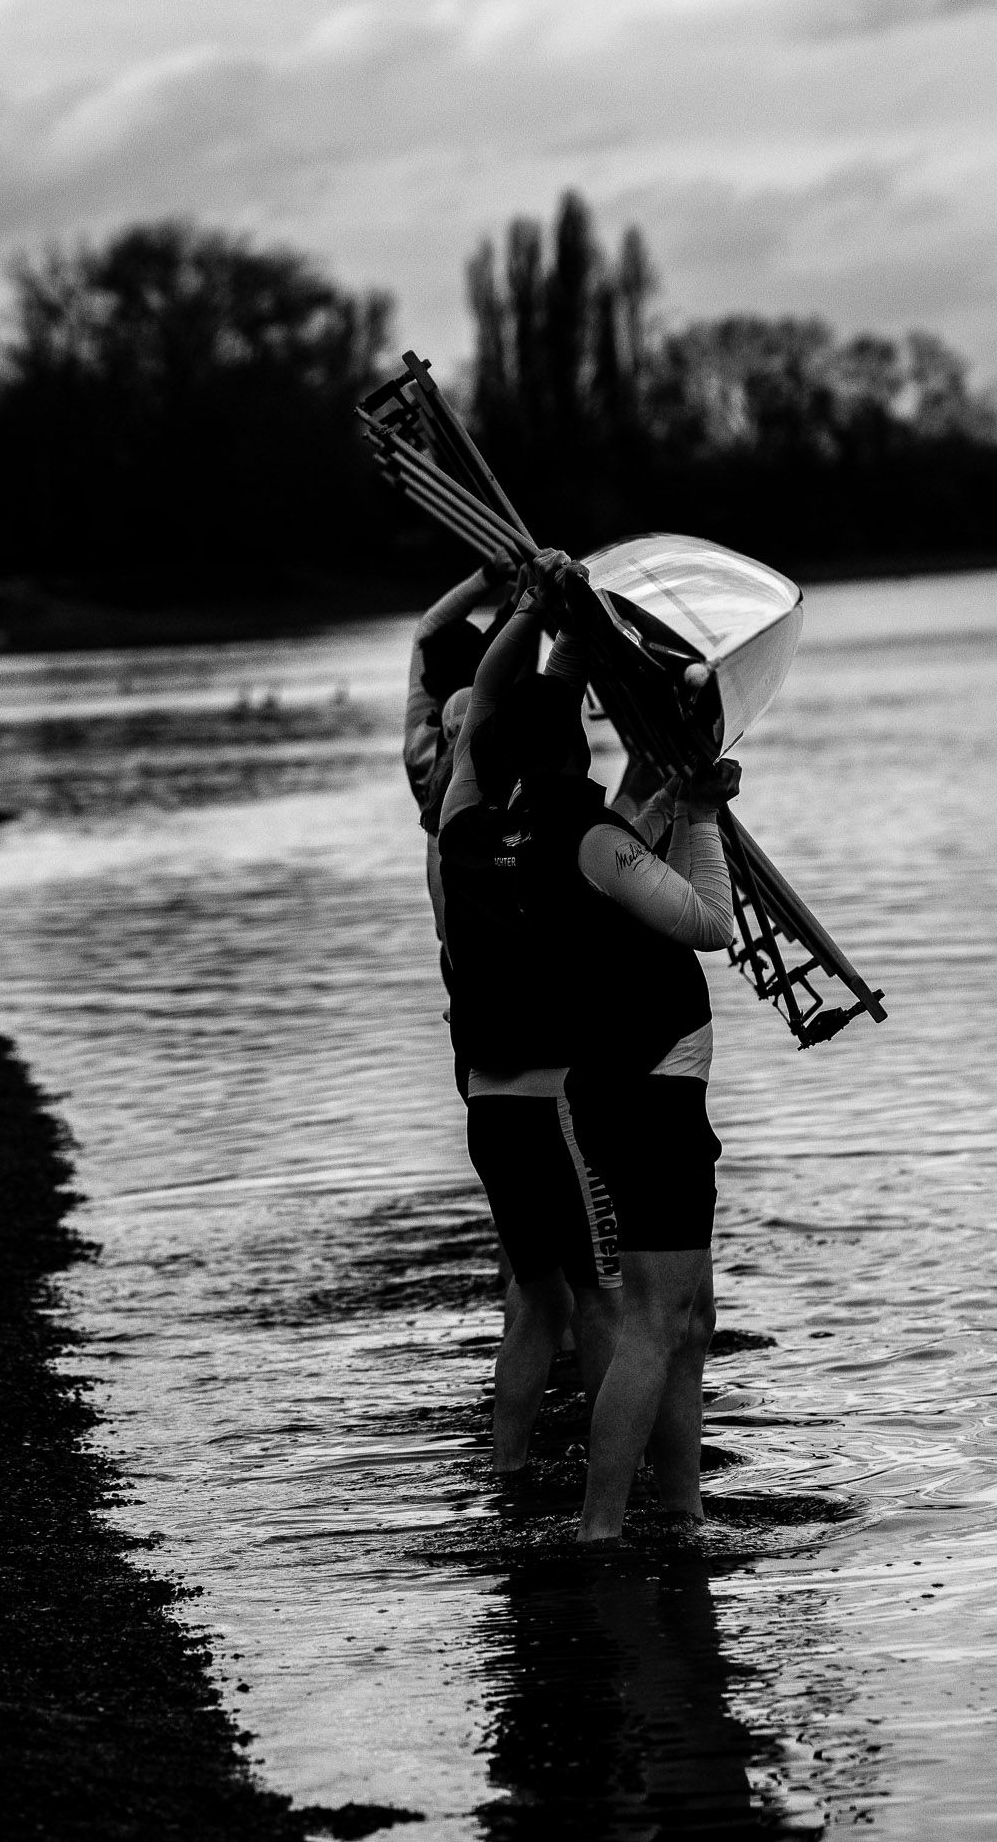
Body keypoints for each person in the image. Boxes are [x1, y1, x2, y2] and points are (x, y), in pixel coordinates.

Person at [467, 562, 740, 1542]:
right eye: (582, 717)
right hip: (644, 1092)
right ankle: (601, 1528)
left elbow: (629, 828)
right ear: (565, 742)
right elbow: (708, 920)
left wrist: (567, 618)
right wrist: (700, 812)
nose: (593, 727)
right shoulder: (584, 836)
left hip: (647, 1088)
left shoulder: (539, 822)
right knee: (651, 1322)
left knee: (689, 1320)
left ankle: (680, 1515)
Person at [438, 553, 625, 1469]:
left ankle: (508, 1474)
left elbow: (485, 688)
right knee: (600, 1300)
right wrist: (568, 619)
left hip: (487, 1107)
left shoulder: (459, 836)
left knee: (537, 1303)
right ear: (567, 760)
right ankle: (611, 1481)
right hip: (559, 1108)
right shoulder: (583, 842)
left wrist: (543, 610)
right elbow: (645, 827)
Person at [403, 552, 518, 962]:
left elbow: (427, 630)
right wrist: (522, 598)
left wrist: (490, 577)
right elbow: (512, 651)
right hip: (499, 907)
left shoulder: (421, 731)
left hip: (455, 922)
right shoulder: (485, 722)